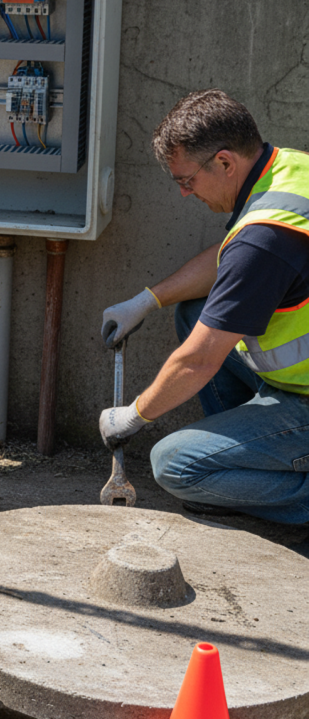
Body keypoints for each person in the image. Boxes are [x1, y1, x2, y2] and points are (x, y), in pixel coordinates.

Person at [99, 89, 309, 524]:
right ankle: (250, 451)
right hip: (296, 382)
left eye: (186, 180)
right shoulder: (288, 170)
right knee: (193, 313)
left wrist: (134, 416)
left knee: (176, 465)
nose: (184, 193)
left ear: (225, 162)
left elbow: (197, 361)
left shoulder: (265, 239)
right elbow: (229, 259)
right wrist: (147, 300)